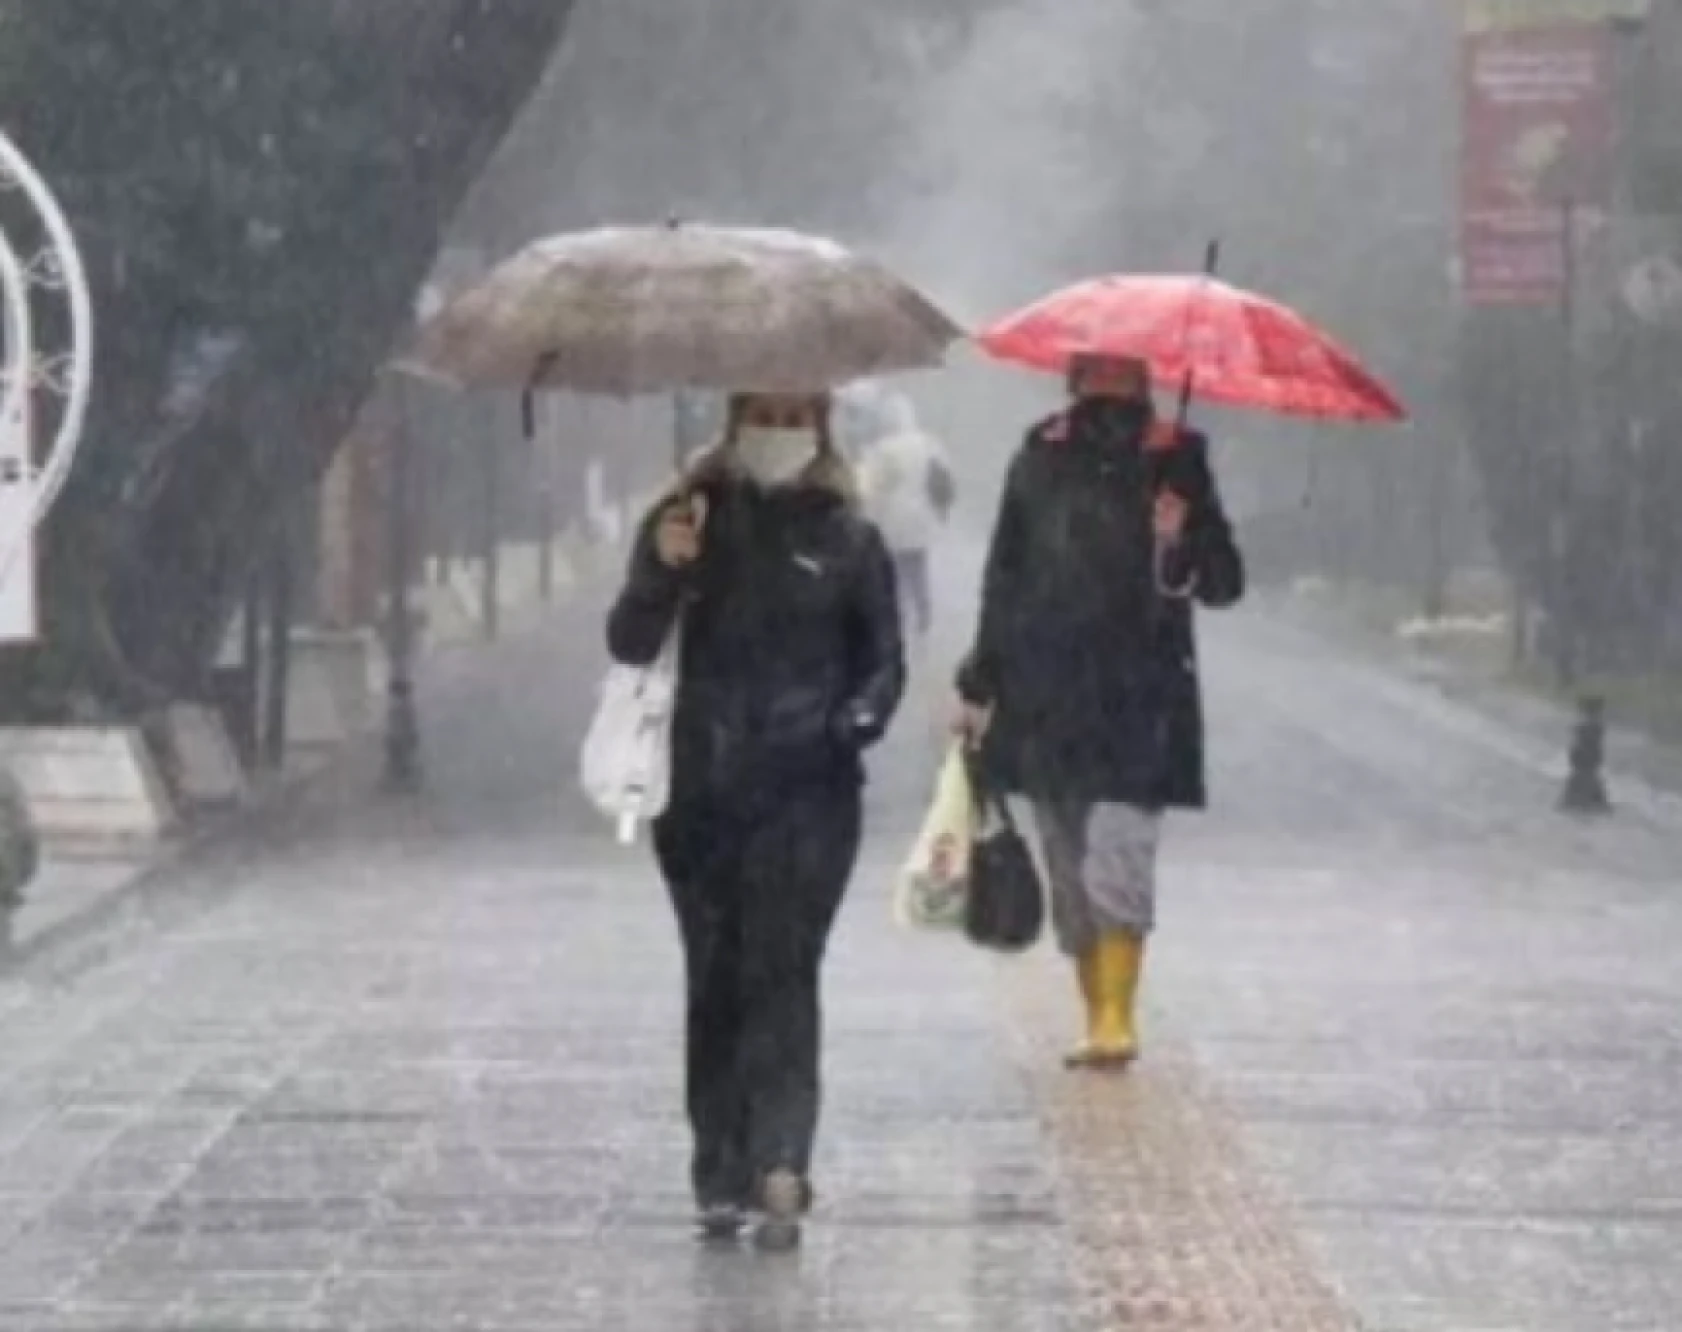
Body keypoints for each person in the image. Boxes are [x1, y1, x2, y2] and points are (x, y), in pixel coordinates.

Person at [606, 390, 905, 1249]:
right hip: (700, 789)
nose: (778, 429)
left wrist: (849, 723)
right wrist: (664, 568)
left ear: (819, 425)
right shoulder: (687, 517)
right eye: (762, 412)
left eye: (794, 412)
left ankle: (782, 1159)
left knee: (785, 968)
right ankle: (719, 1165)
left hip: (810, 794)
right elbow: (629, 641)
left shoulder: (848, 536)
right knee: (717, 974)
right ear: (736, 421)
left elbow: (883, 661)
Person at [954, 354, 1244, 1070]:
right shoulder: (1038, 455)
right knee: (1068, 868)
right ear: (1075, 376)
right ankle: (1093, 1011)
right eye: (1097, 370)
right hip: (1047, 694)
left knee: (1119, 856)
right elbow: (1005, 574)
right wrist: (982, 676)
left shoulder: (1179, 456)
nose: (1110, 385)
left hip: (1141, 698)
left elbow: (1224, 582)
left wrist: (1180, 535)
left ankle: (1118, 1018)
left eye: (1125, 372)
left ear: (1144, 379)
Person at [856, 396, 956, 638]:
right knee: (918, 570)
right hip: (922, 521)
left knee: (895, 572)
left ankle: (899, 620)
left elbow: (873, 486)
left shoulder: (882, 449)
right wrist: (942, 510)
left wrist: (868, 515)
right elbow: (944, 482)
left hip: (891, 522)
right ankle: (924, 618)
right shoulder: (930, 445)